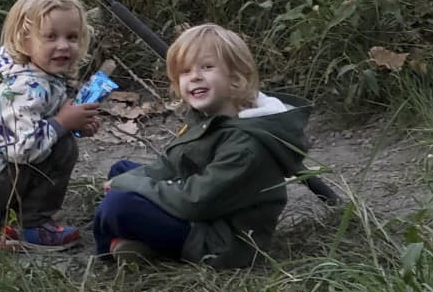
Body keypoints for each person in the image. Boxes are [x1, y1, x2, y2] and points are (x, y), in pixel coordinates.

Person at [93, 23, 311, 269]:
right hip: (200, 210)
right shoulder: (211, 117)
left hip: (219, 241)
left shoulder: (247, 145)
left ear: (236, 77)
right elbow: (170, 164)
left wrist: (130, 186)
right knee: (122, 170)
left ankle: (107, 253)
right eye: (185, 72)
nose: (195, 76)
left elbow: (195, 201)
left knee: (118, 205)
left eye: (207, 67)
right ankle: (139, 244)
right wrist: (130, 180)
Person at [0, 0, 100, 253]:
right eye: (50, 37)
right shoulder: (22, 86)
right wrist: (63, 124)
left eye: (71, 37)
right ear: (25, 41)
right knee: (63, 148)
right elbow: (22, 150)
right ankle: (30, 226)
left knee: (57, 136)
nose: (63, 45)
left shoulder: (7, 61)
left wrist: (74, 123)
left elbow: (31, 119)